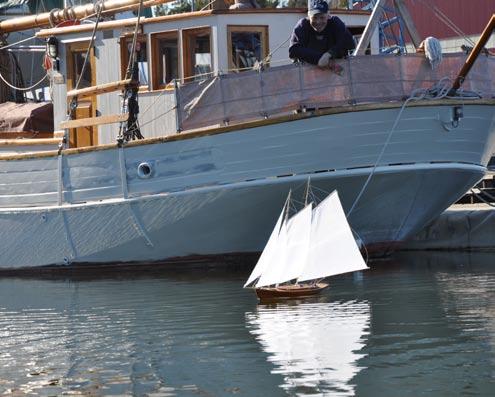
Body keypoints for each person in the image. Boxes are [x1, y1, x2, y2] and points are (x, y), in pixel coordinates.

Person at [289, 0, 355, 68]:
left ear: (328, 15)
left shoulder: (335, 23)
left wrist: (329, 54)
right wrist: (318, 58)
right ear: (308, 16)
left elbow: (349, 44)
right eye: (314, 17)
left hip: (338, 70)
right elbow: (293, 50)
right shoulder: (302, 25)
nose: (318, 22)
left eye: (322, 17)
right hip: (309, 72)